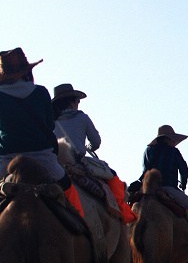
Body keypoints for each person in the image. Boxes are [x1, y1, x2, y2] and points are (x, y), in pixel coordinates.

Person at [0, 48, 85, 218]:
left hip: (4, 165)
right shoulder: (40, 92)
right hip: (44, 161)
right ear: (27, 72)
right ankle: (85, 232)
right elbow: (48, 126)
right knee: (70, 193)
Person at [51, 83, 136, 224]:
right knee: (113, 177)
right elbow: (96, 141)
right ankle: (124, 214)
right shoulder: (82, 117)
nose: (78, 104)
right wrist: (89, 147)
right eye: (77, 101)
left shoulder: (51, 121)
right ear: (72, 102)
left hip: (55, 163)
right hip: (77, 162)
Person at [139, 124, 188, 245]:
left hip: (147, 188)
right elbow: (184, 169)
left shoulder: (148, 150)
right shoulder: (173, 151)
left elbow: (145, 171)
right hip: (168, 188)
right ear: (168, 139)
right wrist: (183, 183)